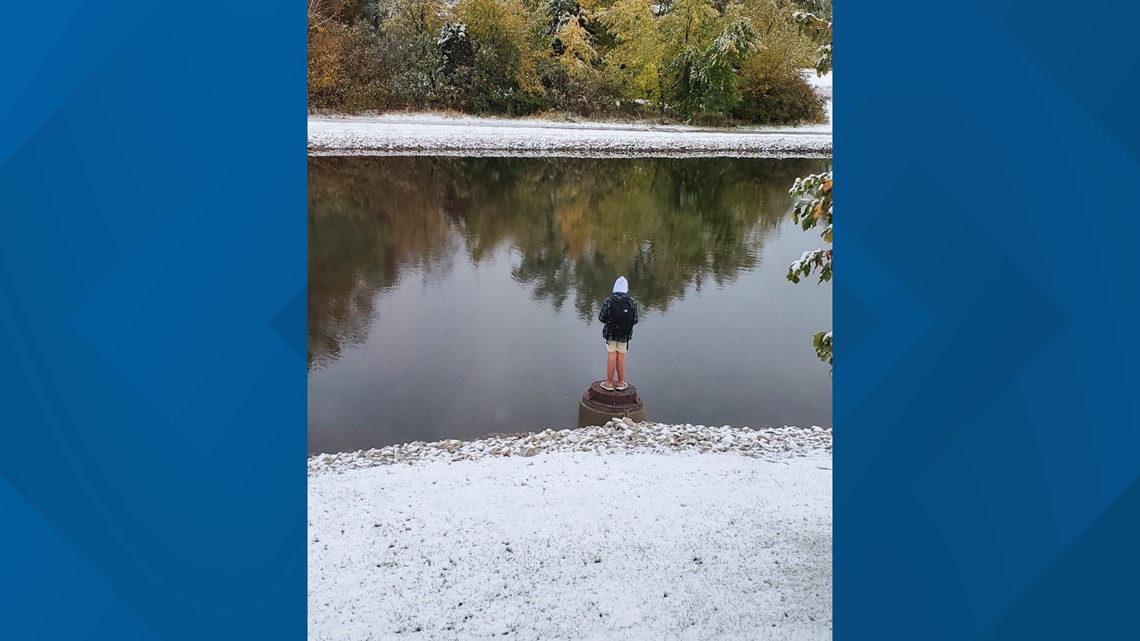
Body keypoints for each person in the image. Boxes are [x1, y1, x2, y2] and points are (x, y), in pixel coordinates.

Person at [597, 276, 639, 391]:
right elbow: (635, 320)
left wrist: (612, 322)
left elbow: (601, 318)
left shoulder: (609, 300)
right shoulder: (632, 302)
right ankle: (621, 383)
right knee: (621, 358)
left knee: (611, 357)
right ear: (626, 288)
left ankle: (609, 383)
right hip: (625, 335)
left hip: (610, 333)